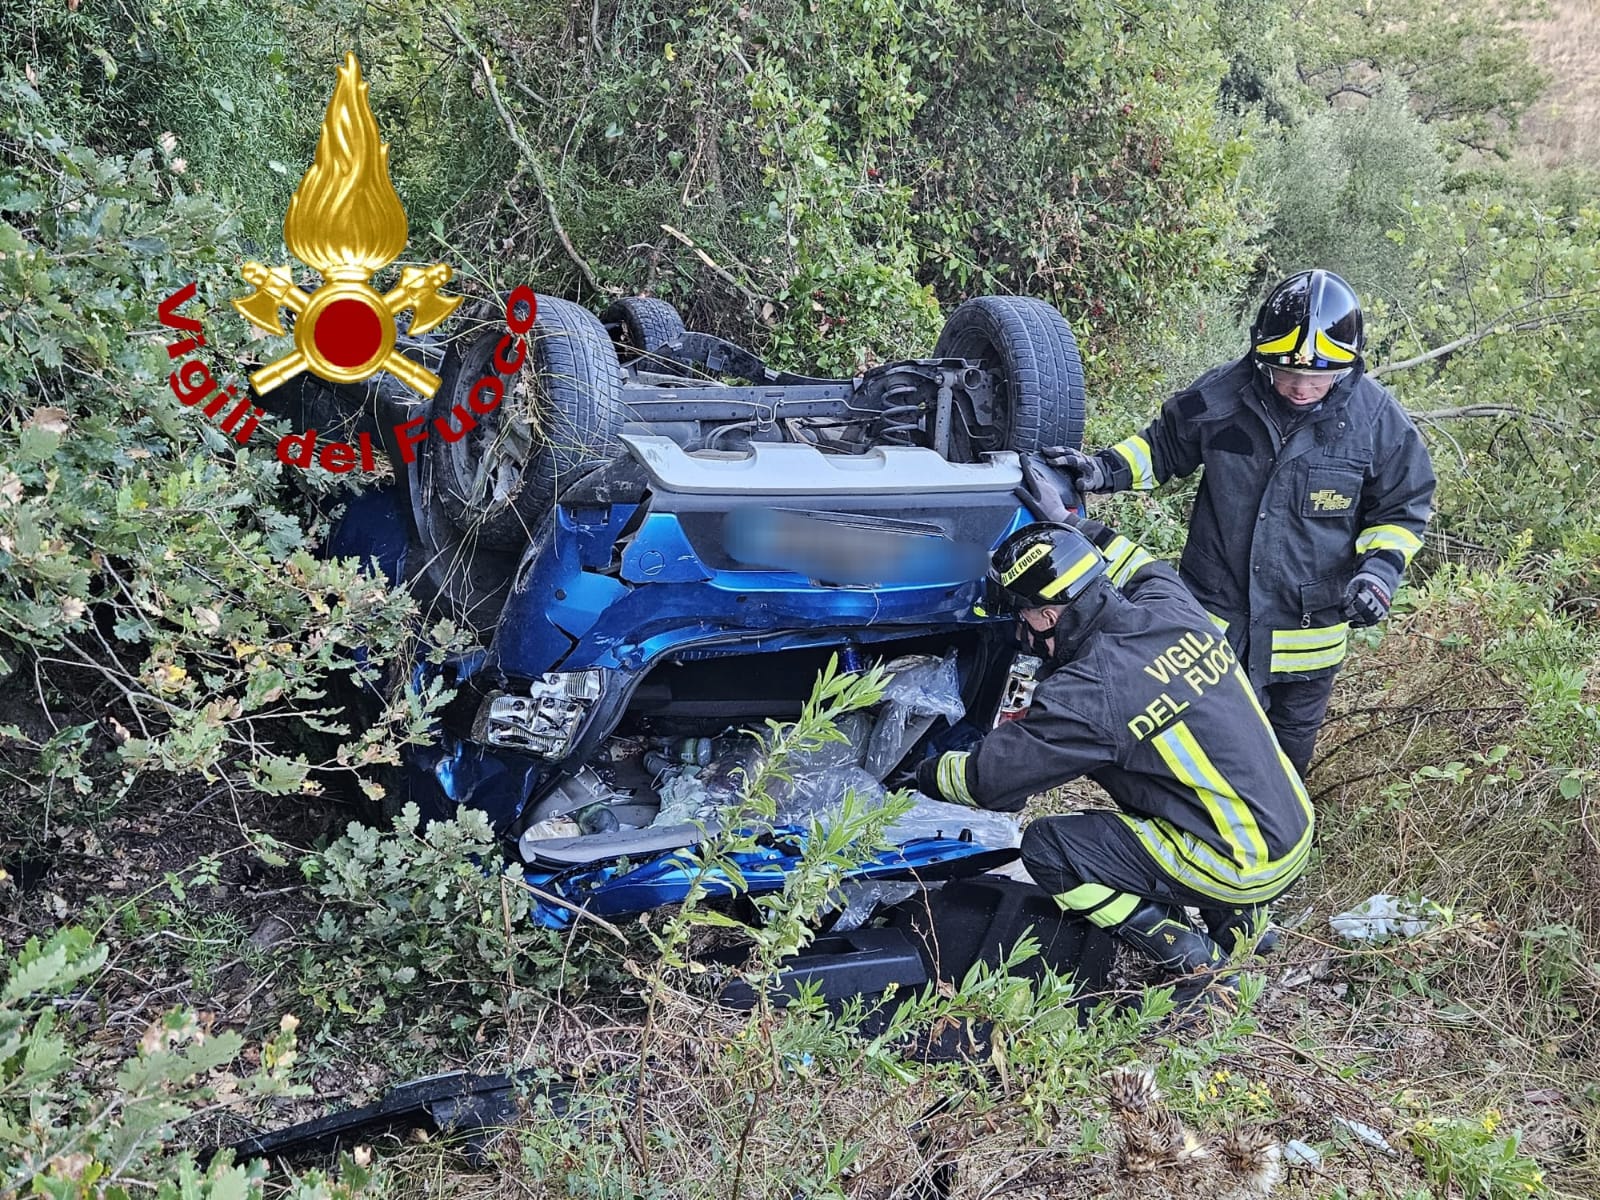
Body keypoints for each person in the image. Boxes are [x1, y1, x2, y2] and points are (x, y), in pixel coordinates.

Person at [1046, 270, 1435, 776]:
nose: (1299, 385)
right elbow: (1161, 446)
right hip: (1213, 631)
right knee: (1194, 765)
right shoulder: (1222, 394)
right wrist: (1101, 470)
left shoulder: (1379, 421)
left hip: (1306, 647)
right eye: (1285, 371)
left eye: (1318, 375)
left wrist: (1378, 574)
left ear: (1350, 364)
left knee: (1281, 778)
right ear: (1259, 354)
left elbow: (1402, 507)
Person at [915, 514, 1315, 978]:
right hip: (1291, 829)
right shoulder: (1171, 605)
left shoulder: (1090, 693)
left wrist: (922, 770)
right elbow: (1140, 563)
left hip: (1239, 863)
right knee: (1172, 789)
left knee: (1049, 847)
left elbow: (989, 782)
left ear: (1047, 615)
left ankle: (1181, 948)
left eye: (1021, 614)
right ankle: (1246, 924)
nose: (1020, 630)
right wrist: (1069, 519)